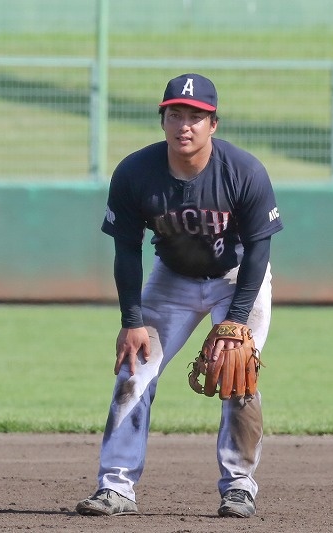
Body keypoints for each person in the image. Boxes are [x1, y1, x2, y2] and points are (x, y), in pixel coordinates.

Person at [76, 73, 283, 519]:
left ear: (213, 124)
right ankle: (116, 487)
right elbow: (127, 250)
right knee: (133, 370)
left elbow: (259, 251)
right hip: (171, 278)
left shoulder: (243, 171)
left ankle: (239, 487)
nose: (184, 125)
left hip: (235, 278)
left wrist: (236, 321)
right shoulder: (136, 172)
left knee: (238, 371)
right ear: (162, 120)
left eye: (195, 116)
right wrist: (132, 321)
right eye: (175, 115)